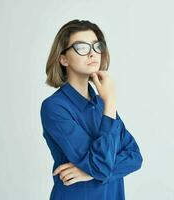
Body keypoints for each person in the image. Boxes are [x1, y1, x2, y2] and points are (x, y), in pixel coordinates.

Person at [40, 19, 143, 200]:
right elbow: (101, 166)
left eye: (97, 46)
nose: (93, 53)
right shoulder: (55, 107)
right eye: (82, 47)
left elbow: (135, 157)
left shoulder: (103, 104)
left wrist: (88, 172)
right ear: (63, 58)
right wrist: (110, 101)